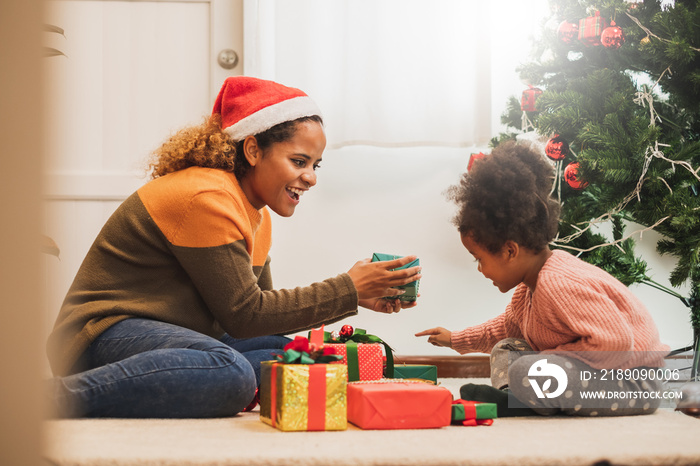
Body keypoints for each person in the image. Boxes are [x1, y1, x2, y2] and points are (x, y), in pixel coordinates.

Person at [47, 76, 421, 418]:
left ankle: (189, 383)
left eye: (316, 165)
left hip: (166, 331)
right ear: (254, 150)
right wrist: (349, 287)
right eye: (298, 161)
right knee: (231, 372)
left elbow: (265, 318)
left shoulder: (255, 212)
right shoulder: (207, 197)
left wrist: (357, 296)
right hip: (101, 334)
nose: (309, 177)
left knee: (282, 352)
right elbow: (246, 315)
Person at [416, 140, 669, 417]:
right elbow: (503, 330)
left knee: (528, 369)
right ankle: (513, 397)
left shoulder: (559, 283)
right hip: (591, 371)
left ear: (510, 250)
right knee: (507, 348)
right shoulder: (527, 290)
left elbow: (616, 344)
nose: (479, 269)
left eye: (479, 259)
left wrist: (547, 358)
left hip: (631, 382)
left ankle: (520, 400)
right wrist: (455, 339)